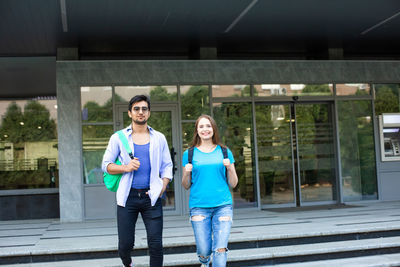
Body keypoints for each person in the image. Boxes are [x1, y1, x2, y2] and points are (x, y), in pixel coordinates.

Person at [102, 95, 173, 267]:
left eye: (144, 109)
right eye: (136, 109)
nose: (140, 112)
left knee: (156, 244)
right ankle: (128, 263)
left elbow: (167, 166)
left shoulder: (159, 138)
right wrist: (125, 168)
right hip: (128, 197)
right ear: (129, 113)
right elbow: (106, 165)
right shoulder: (118, 138)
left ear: (148, 113)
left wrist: (162, 186)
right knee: (125, 245)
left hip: (152, 197)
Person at [182, 114, 238, 267]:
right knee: (204, 250)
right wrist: (187, 172)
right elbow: (185, 185)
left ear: (213, 129)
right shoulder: (189, 154)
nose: (205, 129)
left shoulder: (225, 152)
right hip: (199, 206)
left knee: (220, 249)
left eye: (208, 126)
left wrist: (229, 168)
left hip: (223, 206)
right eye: (201, 126)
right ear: (197, 130)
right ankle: (204, 262)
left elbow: (233, 183)